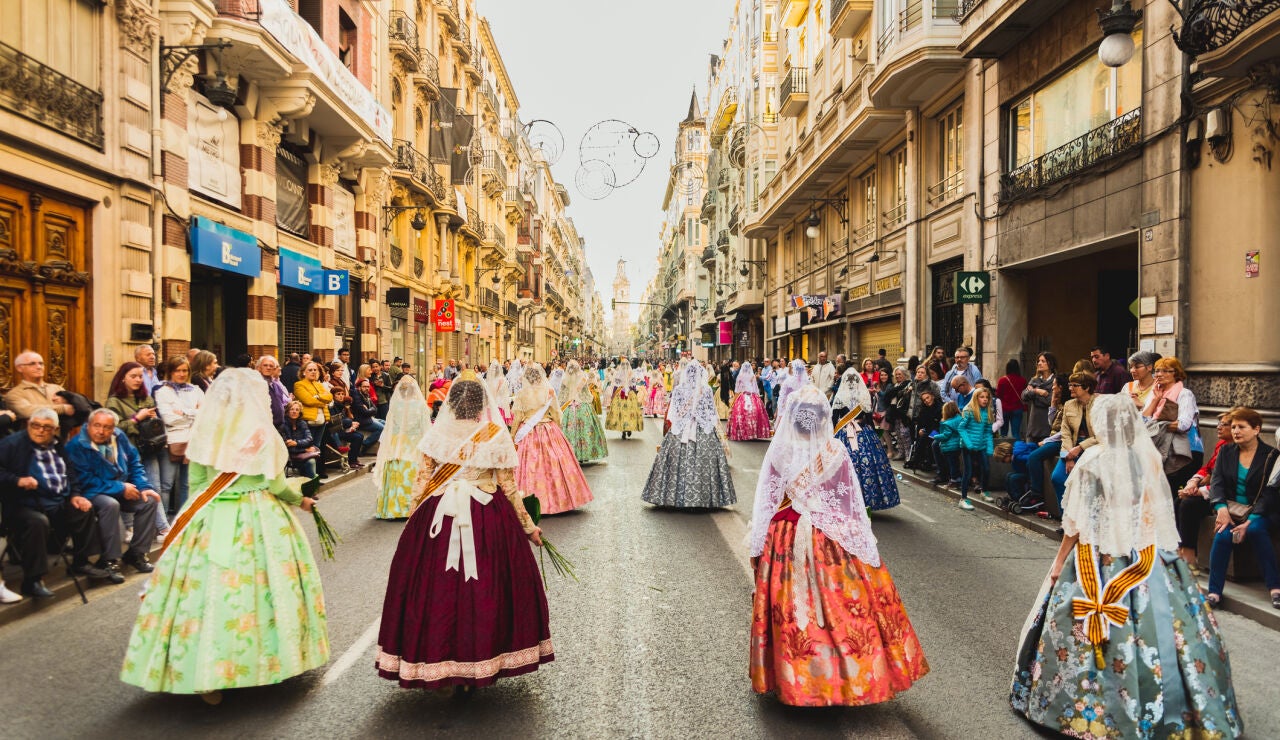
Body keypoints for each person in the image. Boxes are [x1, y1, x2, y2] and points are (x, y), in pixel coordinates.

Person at [1010, 394, 1242, 739]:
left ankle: (1084, 707)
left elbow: (1076, 521)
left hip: (1099, 554)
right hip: (1147, 555)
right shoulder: (1146, 459)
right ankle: (1174, 708)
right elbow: (1155, 513)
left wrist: (1059, 563)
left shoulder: (1093, 460)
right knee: (1170, 630)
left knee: (1077, 631)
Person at [120, 369, 328, 701]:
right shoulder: (262, 434)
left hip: (212, 515)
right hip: (259, 518)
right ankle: (261, 661)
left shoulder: (207, 432)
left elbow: (199, 485)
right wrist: (299, 498)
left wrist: (193, 521)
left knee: (204, 593)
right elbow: (274, 484)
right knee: (262, 591)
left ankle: (204, 671)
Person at [748, 383, 928, 706]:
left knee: (792, 611)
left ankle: (801, 679)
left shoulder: (780, 450)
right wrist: (864, 543)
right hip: (830, 537)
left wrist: (758, 547)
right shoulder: (836, 451)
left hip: (785, 535)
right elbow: (851, 501)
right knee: (841, 610)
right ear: (822, 419)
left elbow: (766, 501)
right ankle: (847, 677)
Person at [376, 379, 552, 691]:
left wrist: (412, 526)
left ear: (452, 404)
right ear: (483, 406)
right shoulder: (495, 435)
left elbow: (421, 481)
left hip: (438, 515)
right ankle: (480, 659)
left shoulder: (436, 435)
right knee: (486, 589)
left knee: (437, 592)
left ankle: (440, 659)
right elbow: (509, 489)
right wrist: (528, 527)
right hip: (487, 515)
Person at [0, 408, 111, 598]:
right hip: (24, 504)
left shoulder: (57, 444)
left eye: (46, 427)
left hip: (57, 499)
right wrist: (17, 480)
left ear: (55, 429)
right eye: (36, 425)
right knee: (37, 521)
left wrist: (75, 494)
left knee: (83, 509)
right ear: (28, 425)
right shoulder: (11, 444)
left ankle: (81, 562)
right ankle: (33, 580)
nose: (40, 431)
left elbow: (70, 473)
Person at [64, 408, 162, 580]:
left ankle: (136, 553)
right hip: (92, 491)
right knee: (110, 504)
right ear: (89, 425)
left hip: (119, 485)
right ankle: (110, 560)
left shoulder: (118, 436)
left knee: (149, 500)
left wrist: (143, 486)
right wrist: (120, 488)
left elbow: (134, 462)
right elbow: (85, 480)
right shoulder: (76, 445)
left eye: (107, 427)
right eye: (97, 426)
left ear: (113, 428)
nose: (101, 431)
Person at [1203, 407, 1280, 608]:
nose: (1236, 431)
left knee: (1255, 530)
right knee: (1222, 535)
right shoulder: (1226, 452)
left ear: (1256, 429)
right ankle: (1214, 592)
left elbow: (1270, 493)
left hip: (1259, 512)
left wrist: (1249, 521)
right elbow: (1217, 483)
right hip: (1230, 511)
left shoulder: (1271, 455)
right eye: (1234, 426)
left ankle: (1275, 588)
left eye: (1241, 427)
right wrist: (1221, 509)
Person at [642, 362, 736, 508]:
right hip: (702, 428)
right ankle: (704, 498)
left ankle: (674, 496)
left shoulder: (680, 389)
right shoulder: (706, 390)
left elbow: (674, 412)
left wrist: (683, 419)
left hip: (682, 428)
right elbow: (711, 412)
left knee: (674, 461)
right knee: (705, 460)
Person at [512, 364, 594, 514]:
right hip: (547, 428)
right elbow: (556, 413)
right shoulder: (549, 391)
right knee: (555, 464)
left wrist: (512, 438)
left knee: (527, 466)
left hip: (527, 432)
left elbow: (517, 417)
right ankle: (558, 500)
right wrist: (558, 431)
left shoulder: (521, 394)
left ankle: (528, 501)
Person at [105, 361, 171, 535]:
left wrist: (153, 420)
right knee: (128, 489)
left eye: (140, 376)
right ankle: (129, 527)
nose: (137, 380)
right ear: (122, 378)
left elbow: (154, 425)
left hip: (148, 449)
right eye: (133, 376)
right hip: (126, 453)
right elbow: (113, 429)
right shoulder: (114, 402)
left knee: (153, 488)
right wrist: (137, 419)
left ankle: (162, 528)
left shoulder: (146, 398)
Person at [832, 368, 900, 511]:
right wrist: (873, 436)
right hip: (863, 431)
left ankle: (844, 499)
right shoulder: (863, 396)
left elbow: (834, 419)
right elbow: (868, 419)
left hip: (845, 432)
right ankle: (867, 499)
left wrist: (831, 436)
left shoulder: (840, 397)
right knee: (868, 463)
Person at [1175, 411, 1235, 565]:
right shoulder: (1222, 445)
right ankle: (1178, 548)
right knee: (1178, 501)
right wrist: (1193, 483)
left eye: (1224, 424)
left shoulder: (1237, 450)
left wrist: (1200, 491)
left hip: (1226, 497)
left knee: (1189, 504)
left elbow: (1227, 482)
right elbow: (1207, 468)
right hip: (1211, 490)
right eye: (1218, 423)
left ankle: (1189, 555)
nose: (1219, 427)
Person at [1143, 357, 1203, 498]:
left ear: (1175, 373)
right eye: (1157, 371)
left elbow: (1183, 424)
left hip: (1184, 452)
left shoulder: (1185, 394)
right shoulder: (1154, 393)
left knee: (1174, 494)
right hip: (1160, 450)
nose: (1159, 374)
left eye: (1165, 371)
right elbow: (1142, 421)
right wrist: (1156, 400)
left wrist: (1156, 425)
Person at [373, 377, 430, 520]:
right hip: (413, 443)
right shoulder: (420, 405)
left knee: (395, 470)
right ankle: (410, 506)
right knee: (411, 471)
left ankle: (392, 508)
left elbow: (389, 427)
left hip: (396, 443)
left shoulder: (395, 405)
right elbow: (425, 428)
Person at [153, 355, 203, 515]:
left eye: (184, 370)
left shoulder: (195, 390)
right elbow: (168, 418)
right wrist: (193, 414)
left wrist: (184, 412)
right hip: (172, 441)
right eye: (177, 371)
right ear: (170, 372)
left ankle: (182, 521)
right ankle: (163, 523)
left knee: (187, 484)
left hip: (193, 441)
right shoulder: (162, 391)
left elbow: (205, 414)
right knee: (166, 484)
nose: (181, 374)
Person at [1052, 371, 1098, 510]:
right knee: (1058, 478)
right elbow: (1065, 432)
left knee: (1087, 485)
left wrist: (1080, 447)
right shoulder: (1069, 404)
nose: (1070, 388)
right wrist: (1068, 456)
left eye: (1075, 385)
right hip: (1071, 450)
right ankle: (1066, 519)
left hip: (1093, 450)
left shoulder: (1100, 404)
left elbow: (1103, 435)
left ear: (1087, 387)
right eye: (1070, 384)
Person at [557, 360, 608, 464]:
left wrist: (561, 405)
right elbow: (587, 394)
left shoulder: (565, 379)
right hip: (582, 407)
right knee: (586, 430)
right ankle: (584, 454)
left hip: (569, 407)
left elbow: (562, 395)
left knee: (569, 431)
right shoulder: (583, 378)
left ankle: (571, 453)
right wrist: (589, 401)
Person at [3, 351, 75, 423]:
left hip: (61, 433)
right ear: (19, 368)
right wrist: (62, 408)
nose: (39, 367)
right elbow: (28, 411)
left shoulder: (57, 388)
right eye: (32, 364)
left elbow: (77, 407)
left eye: (41, 363)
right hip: (36, 433)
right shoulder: (14, 394)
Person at [956, 387, 996, 509]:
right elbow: (961, 428)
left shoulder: (988, 412)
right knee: (968, 472)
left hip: (982, 446)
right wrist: (968, 444)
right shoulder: (969, 410)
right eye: (982, 397)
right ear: (976, 398)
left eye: (987, 397)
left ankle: (984, 492)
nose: (984, 400)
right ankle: (963, 499)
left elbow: (988, 432)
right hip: (968, 446)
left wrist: (990, 448)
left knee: (986, 469)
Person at [293, 361, 333, 479]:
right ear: (303, 372)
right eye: (310, 370)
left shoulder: (319, 385)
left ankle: (317, 473)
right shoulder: (299, 384)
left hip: (322, 420)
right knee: (307, 447)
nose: (313, 372)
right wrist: (321, 400)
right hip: (308, 420)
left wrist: (318, 397)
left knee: (317, 446)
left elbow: (329, 397)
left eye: (315, 370)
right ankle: (308, 475)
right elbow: (308, 401)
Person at [728, 361, 770, 441]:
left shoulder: (740, 376)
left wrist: (734, 400)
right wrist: (758, 396)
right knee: (756, 412)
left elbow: (737, 389)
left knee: (740, 413)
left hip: (743, 396)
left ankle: (742, 432)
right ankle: (754, 432)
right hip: (752, 395)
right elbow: (755, 388)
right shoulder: (752, 375)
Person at [279, 400, 320, 482]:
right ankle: (312, 483)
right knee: (310, 462)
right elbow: (287, 447)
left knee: (311, 461)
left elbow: (309, 440)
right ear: (287, 411)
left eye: (297, 410)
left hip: (304, 454)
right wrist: (304, 449)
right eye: (292, 409)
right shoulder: (283, 426)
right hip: (291, 456)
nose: (294, 412)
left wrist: (296, 443)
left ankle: (311, 484)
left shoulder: (303, 423)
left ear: (300, 412)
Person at [1020, 352, 1057, 443]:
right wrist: (1038, 391)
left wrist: (1034, 393)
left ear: (1050, 363)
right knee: (1029, 454)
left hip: (1047, 427)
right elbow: (1024, 396)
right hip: (1033, 427)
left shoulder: (1055, 381)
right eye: (1038, 361)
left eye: (1043, 361)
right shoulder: (1034, 380)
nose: (1039, 363)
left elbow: (1050, 401)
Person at [604, 356, 644, 439]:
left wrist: (613, 396)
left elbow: (615, 386)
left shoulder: (618, 373)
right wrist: (634, 393)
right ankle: (628, 429)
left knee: (621, 412)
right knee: (629, 412)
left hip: (621, 393)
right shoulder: (631, 373)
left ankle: (623, 430)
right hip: (629, 394)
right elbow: (633, 386)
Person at [881, 367, 913, 460]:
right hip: (895, 413)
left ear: (904, 374)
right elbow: (887, 395)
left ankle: (908, 455)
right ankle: (901, 453)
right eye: (896, 374)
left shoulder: (908, 384)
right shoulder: (896, 385)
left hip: (903, 413)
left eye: (900, 374)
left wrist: (896, 392)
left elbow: (899, 395)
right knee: (898, 434)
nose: (898, 376)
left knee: (904, 434)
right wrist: (896, 391)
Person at [995, 359, 1027, 440]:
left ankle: (1003, 449)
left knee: (1003, 433)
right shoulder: (1022, 380)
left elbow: (998, 395)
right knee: (1016, 432)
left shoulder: (1002, 380)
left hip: (1004, 409)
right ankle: (1017, 450)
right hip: (1017, 408)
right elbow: (1025, 396)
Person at [257, 356, 289, 429]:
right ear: (259, 368)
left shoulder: (276, 385)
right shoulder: (256, 385)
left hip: (279, 427)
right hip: (264, 428)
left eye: (271, 366)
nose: (268, 368)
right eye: (265, 365)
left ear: (274, 369)